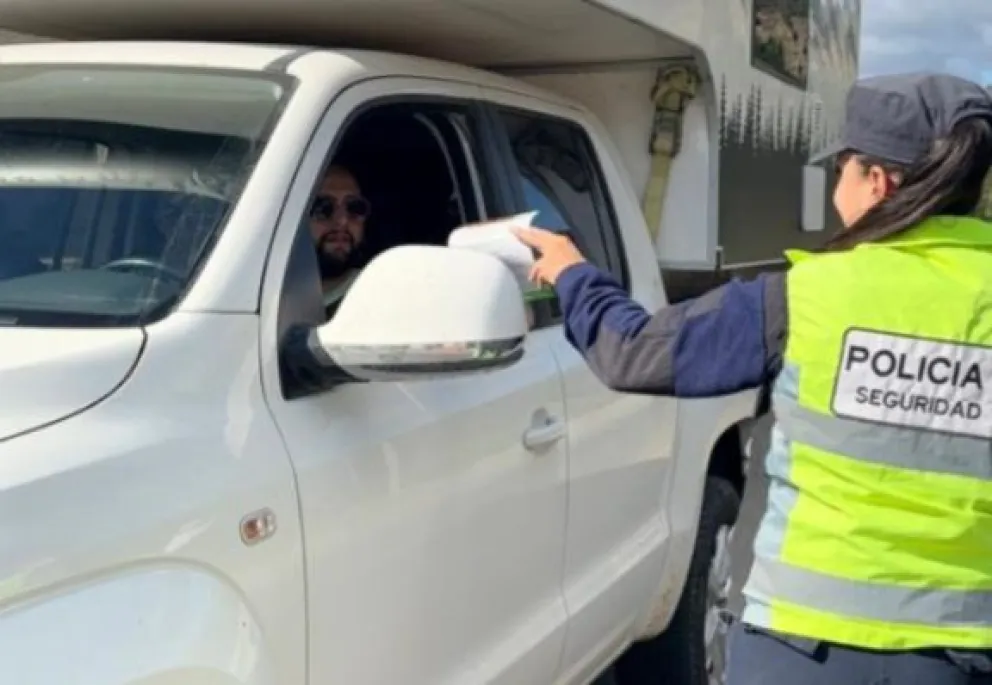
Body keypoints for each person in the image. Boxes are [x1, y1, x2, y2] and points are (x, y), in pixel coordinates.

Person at [513, 72, 992, 685]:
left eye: (842, 168)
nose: (834, 187)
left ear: (878, 182)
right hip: (960, 655)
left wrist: (572, 272)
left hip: (804, 651)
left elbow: (632, 351)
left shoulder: (806, 296)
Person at [308, 164, 372, 318]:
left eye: (354, 207)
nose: (342, 221)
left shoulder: (376, 295)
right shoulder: (263, 291)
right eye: (323, 207)